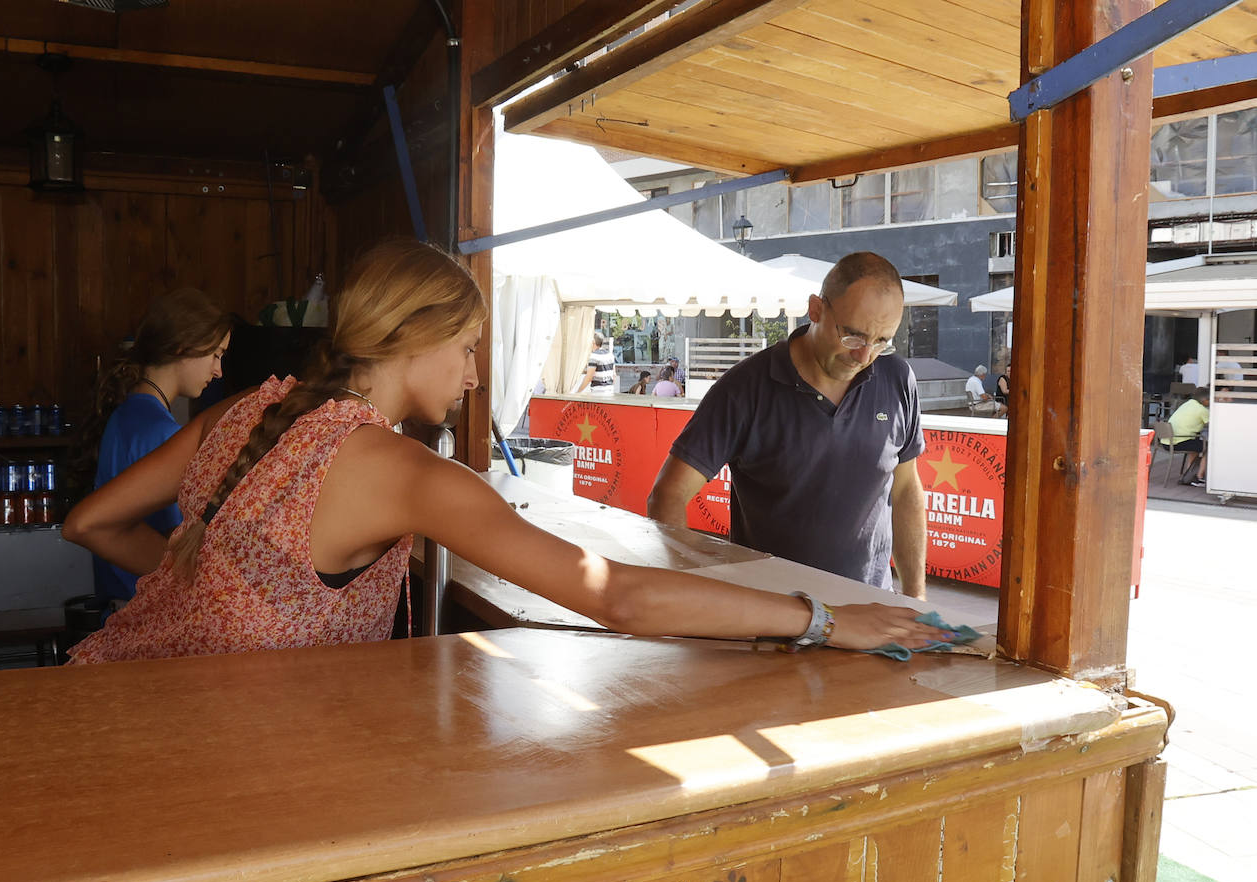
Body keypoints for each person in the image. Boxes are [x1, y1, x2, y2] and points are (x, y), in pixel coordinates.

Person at [62, 240, 947, 663]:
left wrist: (219, 594)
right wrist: (823, 617)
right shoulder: (399, 471)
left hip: (125, 686)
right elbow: (620, 595)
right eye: (470, 346)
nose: (477, 371)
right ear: (417, 341)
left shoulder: (248, 408)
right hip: (220, 756)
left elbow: (92, 523)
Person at [647, 252, 928, 600]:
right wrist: (696, 597)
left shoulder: (897, 378)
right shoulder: (745, 388)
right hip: (773, 623)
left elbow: (905, 491)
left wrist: (915, 599)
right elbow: (668, 496)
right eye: (853, 336)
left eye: (882, 341)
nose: (864, 355)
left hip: (872, 612)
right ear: (816, 310)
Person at [74, 288, 232, 607]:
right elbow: (184, 539)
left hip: (116, 605)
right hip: (146, 607)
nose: (218, 371)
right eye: (215, 354)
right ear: (180, 347)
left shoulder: (124, 415)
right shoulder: (163, 434)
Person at [1163, 388, 1210, 486]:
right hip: (1178, 442)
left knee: (1196, 445)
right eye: (1209, 400)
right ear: (1204, 400)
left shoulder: (1187, 404)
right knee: (1209, 447)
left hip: (1167, 441)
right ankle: (1198, 477)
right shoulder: (1202, 410)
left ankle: (1189, 475)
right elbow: (1213, 425)